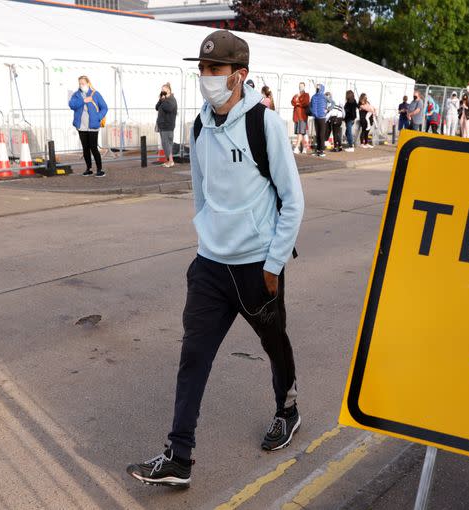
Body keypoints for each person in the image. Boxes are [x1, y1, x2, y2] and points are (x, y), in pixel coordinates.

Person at [127, 29, 305, 489]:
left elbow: (293, 199)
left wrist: (273, 264)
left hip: (256, 268)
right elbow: (200, 193)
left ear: (239, 75)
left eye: (214, 70)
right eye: (202, 69)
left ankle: (288, 410)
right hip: (210, 267)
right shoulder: (200, 124)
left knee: (274, 343)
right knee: (193, 357)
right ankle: (178, 457)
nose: (205, 77)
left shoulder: (264, 124)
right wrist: (206, 240)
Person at [68, 75, 108, 177]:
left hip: (93, 125)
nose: (81, 85)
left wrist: (98, 117)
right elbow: (72, 105)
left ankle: (99, 169)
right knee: (85, 148)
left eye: (83, 83)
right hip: (81, 126)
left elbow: (104, 107)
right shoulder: (76, 95)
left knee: (93, 148)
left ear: (88, 83)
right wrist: (84, 100)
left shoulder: (95, 94)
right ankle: (88, 169)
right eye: (80, 84)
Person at [155, 82, 178, 168]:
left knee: (167, 143)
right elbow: (157, 107)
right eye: (161, 91)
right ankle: (169, 160)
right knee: (165, 143)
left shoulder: (172, 99)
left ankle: (171, 161)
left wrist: (163, 100)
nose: (162, 92)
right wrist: (160, 99)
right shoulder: (163, 99)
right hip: (162, 125)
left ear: (169, 91)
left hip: (168, 125)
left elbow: (168, 108)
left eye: (164, 90)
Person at [291, 82, 310, 154]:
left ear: (304, 87)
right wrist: (297, 100)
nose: (300, 87)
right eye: (299, 86)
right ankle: (304, 147)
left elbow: (305, 103)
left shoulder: (306, 95)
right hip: (296, 116)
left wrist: (298, 102)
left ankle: (296, 147)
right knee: (302, 133)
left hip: (302, 116)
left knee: (300, 132)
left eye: (302, 86)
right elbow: (292, 102)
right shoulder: (296, 95)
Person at [310, 84, 328, 157]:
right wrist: (313, 112)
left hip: (322, 118)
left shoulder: (324, 96)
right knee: (317, 134)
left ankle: (322, 150)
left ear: (322, 89)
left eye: (319, 88)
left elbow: (333, 102)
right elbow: (310, 106)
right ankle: (318, 150)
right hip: (316, 118)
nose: (317, 89)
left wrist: (327, 110)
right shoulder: (313, 96)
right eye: (317, 88)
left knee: (321, 134)